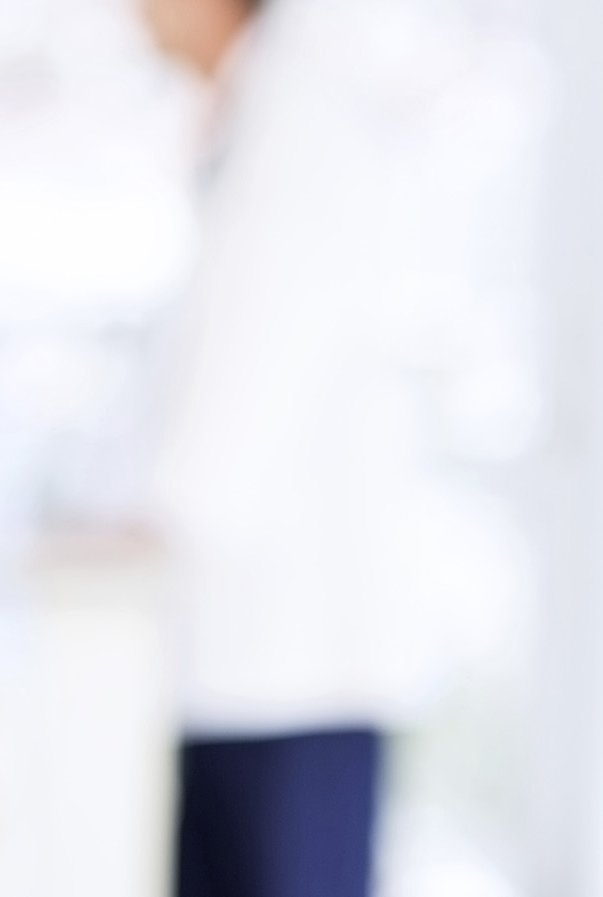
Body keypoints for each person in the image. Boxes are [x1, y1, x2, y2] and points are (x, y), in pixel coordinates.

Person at [141, 0, 539, 894]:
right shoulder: (266, 108)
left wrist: (157, 515)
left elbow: (257, 351)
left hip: (299, 648)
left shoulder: (308, 111)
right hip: (249, 647)